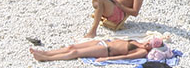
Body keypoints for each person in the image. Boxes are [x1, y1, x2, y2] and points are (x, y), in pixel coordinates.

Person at [30, 37, 161, 62]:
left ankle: (46, 58)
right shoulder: (140, 42)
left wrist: (107, 58)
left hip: (106, 50)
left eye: (150, 44)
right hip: (103, 42)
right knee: (71, 47)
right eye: (149, 42)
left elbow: (125, 57)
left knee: (75, 53)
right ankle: (46, 52)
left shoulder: (142, 52)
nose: (147, 43)